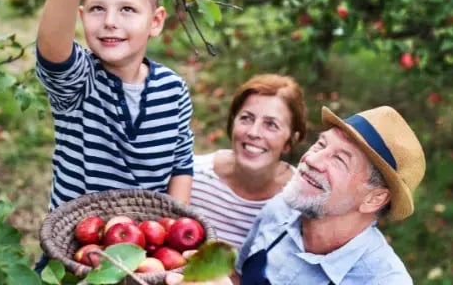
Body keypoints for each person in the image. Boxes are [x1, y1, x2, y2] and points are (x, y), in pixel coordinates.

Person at [34, 0, 195, 271]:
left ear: (155, 22)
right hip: (73, 252)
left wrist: (173, 230)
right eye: (96, 9)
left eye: (127, 9)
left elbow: (181, 166)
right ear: (81, 15)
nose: (109, 21)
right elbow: (52, 51)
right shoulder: (81, 81)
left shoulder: (173, 90)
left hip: (143, 256)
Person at [167, 105, 425, 285]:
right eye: (321, 144)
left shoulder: (382, 280)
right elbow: (239, 278)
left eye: (339, 160)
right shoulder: (280, 209)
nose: (312, 159)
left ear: (374, 199)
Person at [189, 74, 307, 248]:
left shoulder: (301, 203)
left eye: (271, 124)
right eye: (246, 118)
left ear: (290, 140)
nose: (253, 132)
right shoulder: (192, 176)